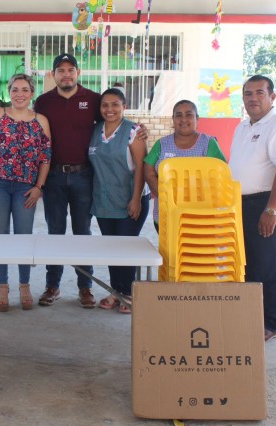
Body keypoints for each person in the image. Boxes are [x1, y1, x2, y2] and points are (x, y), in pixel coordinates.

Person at [34, 53, 148, 308]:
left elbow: (114, 120)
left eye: (70, 69)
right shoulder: (43, 102)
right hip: (53, 176)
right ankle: (52, 286)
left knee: (82, 232)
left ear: (78, 73)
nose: (66, 74)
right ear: (53, 75)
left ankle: (85, 286)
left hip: (84, 176)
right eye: (60, 70)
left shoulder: (94, 99)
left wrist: (139, 129)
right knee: (55, 233)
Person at [228, 75, 276, 342]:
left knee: (268, 266)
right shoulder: (243, 126)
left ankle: (271, 322)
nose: (253, 98)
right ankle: (251, 315)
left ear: (272, 96)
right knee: (248, 266)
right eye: (248, 93)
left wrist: (272, 211)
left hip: (267, 203)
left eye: (260, 92)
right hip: (241, 205)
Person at [0, 73, 51, 312]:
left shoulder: (41, 121)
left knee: (24, 236)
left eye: (25, 89)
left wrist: (39, 187)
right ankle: (2, 285)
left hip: (25, 188)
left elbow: (45, 158)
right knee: (0, 234)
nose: (19, 94)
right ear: (9, 91)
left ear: (32, 93)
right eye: (15, 89)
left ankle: (25, 284)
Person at [89, 88, 149, 314]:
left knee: (127, 250)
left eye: (115, 104)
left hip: (129, 200)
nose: (110, 109)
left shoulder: (133, 131)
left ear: (124, 106)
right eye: (105, 105)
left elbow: (141, 167)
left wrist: (136, 199)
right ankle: (116, 292)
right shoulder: (95, 130)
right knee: (112, 250)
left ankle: (129, 294)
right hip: (104, 202)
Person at [144, 99, 226, 232]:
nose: (183, 119)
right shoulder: (162, 144)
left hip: (201, 215)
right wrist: (164, 194)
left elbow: (222, 174)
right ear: (173, 119)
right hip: (167, 214)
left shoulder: (208, 143)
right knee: (169, 252)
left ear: (197, 118)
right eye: (178, 115)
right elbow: (148, 171)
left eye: (188, 115)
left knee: (197, 250)